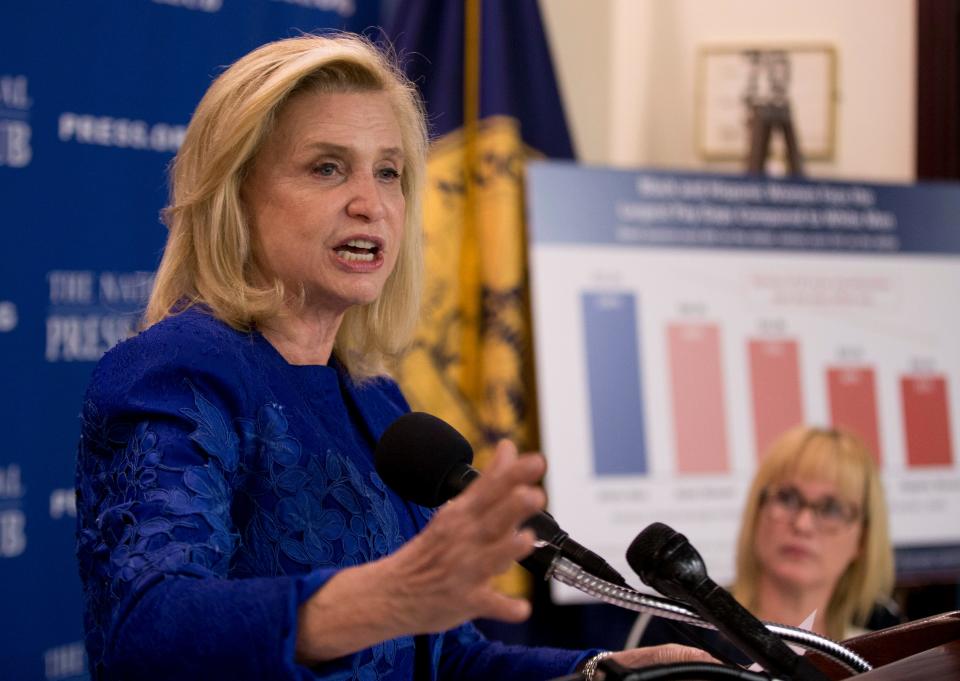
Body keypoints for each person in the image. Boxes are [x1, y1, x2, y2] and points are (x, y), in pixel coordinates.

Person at [75, 33, 713, 681]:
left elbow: (446, 659)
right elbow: (146, 628)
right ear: (234, 192)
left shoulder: (380, 403)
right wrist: (385, 596)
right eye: (327, 167)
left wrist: (605, 671)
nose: (370, 203)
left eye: (389, 172)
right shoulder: (179, 374)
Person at [627, 426, 896, 653]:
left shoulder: (887, 634)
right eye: (787, 498)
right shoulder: (681, 624)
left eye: (832, 509)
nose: (802, 524)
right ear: (757, 511)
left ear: (863, 538)